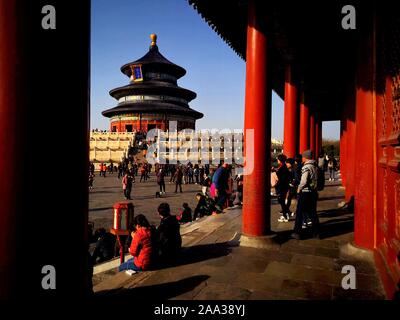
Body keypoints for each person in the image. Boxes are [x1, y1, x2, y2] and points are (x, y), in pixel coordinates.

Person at [292, 150, 320, 240]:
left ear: (305, 157)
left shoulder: (306, 167)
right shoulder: (315, 166)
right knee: (313, 213)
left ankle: (297, 232)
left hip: (305, 192)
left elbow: (303, 181)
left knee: (299, 212)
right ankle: (316, 232)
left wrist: (299, 188)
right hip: (313, 192)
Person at [275, 154, 291, 222]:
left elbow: (282, 178)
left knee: (281, 201)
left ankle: (285, 215)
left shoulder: (282, 168)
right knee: (282, 201)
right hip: (284, 186)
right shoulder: (284, 167)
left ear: (280, 160)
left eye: (278, 159)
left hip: (282, 186)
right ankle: (286, 213)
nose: (277, 161)